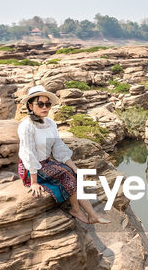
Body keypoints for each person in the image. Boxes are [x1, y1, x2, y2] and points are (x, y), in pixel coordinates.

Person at [17, 85, 108, 224]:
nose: (45, 107)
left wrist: (76, 168)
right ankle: (78, 211)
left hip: (46, 162)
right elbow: (28, 153)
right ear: (30, 105)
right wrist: (34, 182)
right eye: (40, 104)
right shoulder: (26, 126)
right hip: (31, 168)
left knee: (71, 172)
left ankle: (90, 214)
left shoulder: (50, 123)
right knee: (66, 174)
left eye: (47, 104)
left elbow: (59, 148)